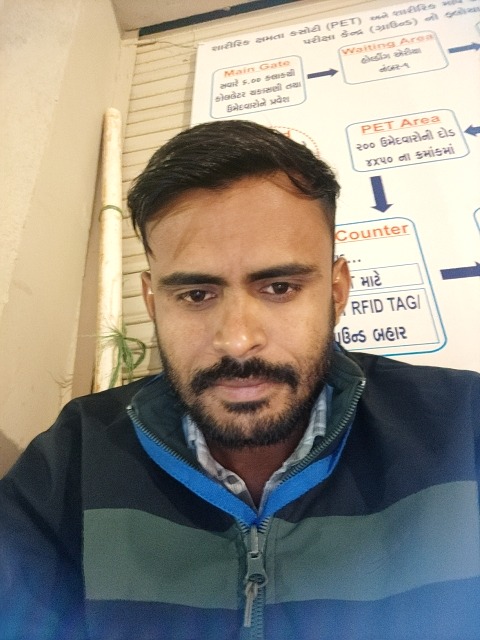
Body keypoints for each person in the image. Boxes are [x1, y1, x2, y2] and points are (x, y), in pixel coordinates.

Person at [1, 120, 479, 640]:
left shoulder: (462, 427)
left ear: (337, 291)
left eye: (279, 287)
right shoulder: (77, 454)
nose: (237, 340)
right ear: (152, 301)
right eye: (196, 295)